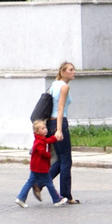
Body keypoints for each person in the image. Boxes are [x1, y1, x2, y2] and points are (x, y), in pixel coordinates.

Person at [46, 61, 80, 204]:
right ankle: (66, 195)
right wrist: (59, 130)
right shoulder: (64, 87)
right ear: (64, 72)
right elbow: (60, 109)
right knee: (66, 159)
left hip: (50, 123)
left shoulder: (54, 84)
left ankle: (40, 182)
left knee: (60, 160)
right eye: (71, 70)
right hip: (59, 123)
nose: (74, 72)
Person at [15, 120, 68, 208]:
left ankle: (20, 198)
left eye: (45, 128)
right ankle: (57, 200)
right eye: (43, 128)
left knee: (30, 182)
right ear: (37, 131)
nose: (46, 130)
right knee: (49, 183)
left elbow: (47, 141)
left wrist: (55, 138)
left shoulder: (41, 139)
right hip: (41, 167)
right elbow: (42, 151)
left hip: (35, 167)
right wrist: (48, 155)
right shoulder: (39, 142)